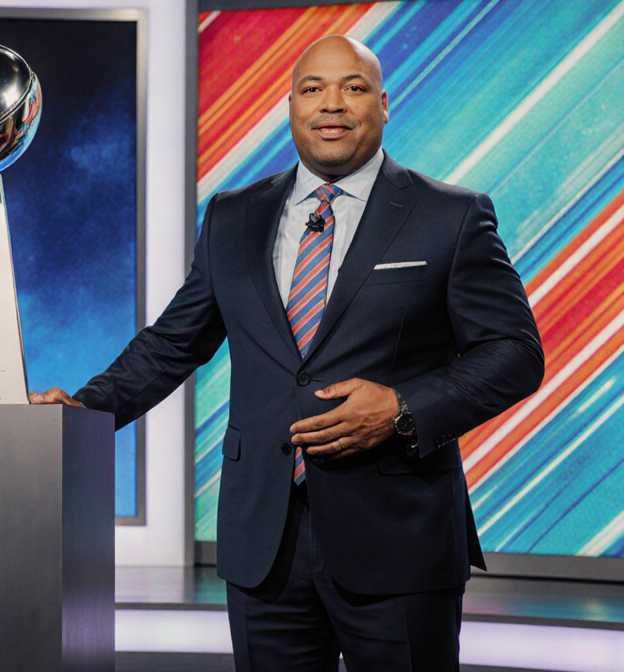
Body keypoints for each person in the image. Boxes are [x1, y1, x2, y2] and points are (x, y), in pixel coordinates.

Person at [30, 35, 544, 671]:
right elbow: (173, 342)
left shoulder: (452, 215)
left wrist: (402, 408)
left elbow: (514, 352)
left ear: (384, 104)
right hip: (263, 541)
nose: (332, 103)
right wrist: (85, 410)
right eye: (312, 88)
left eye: (353, 87)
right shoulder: (232, 216)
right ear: (290, 106)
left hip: (400, 538)